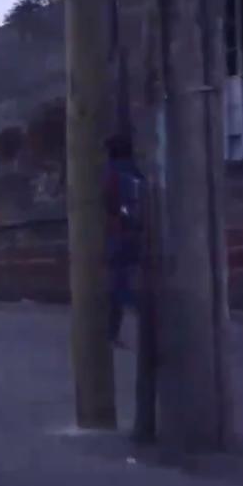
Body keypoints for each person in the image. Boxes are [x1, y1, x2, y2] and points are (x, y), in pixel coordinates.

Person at [103, 133, 145, 347]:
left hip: (116, 234)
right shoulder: (135, 172)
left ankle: (112, 332)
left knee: (117, 285)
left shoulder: (110, 173)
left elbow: (109, 203)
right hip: (135, 233)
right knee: (132, 281)